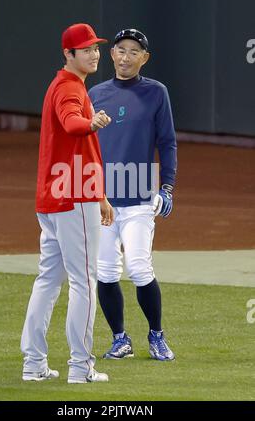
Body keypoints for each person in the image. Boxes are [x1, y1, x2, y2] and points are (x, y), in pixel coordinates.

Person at [21, 23, 114, 384]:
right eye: (85, 48)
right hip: (74, 197)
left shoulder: (66, 85)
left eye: (95, 48)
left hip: (56, 197)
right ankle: (80, 367)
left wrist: (101, 195)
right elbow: (73, 123)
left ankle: (34, 364)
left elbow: (76, 143)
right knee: (84, 282)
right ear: (68, 54)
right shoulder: (68, 88)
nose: (93, 53)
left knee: (48, 280)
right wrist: (90, 122)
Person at [89, 28, 177, 361]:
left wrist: (167, 186)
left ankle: (156, 335)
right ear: (112, 54)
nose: (126, 57)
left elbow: (167, 142)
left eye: (134, 52)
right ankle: (120, 339)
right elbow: (84, 145)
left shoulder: (156, 93)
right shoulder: (94, 93)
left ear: (145, 58)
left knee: (139, 267)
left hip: (139, 195)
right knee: (107, 271)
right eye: (121, 50)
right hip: (101, 198)